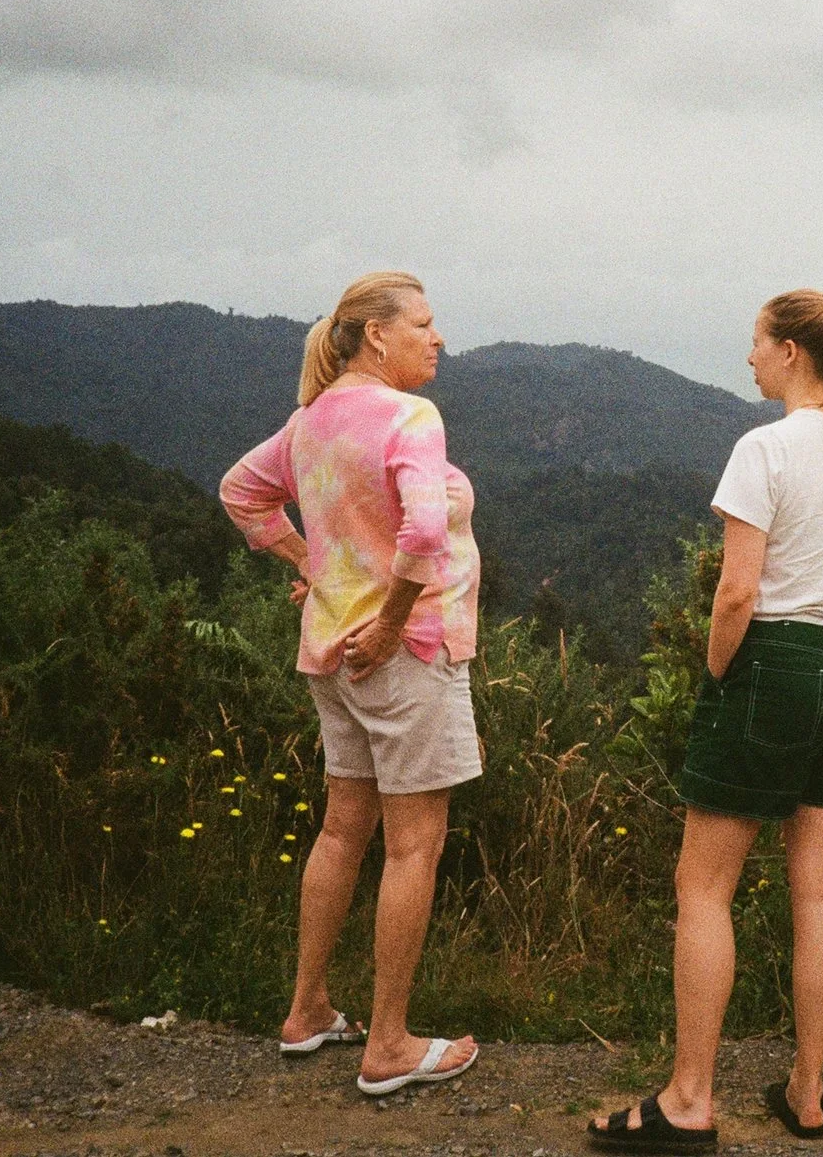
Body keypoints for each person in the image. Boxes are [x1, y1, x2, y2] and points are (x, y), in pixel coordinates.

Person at [589, 291, 823, 1153]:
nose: (747, 360)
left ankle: (690, 1097)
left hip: (776, 661)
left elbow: (737, 590)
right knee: (820, 888)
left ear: (789, 352)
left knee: (705, 885)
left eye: (755, 344)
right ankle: (807, 1092)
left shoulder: (764, 449)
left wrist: (715, 672)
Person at [219, 270, 485, 1096]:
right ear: (378, 334)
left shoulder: (311, 420)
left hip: (333, 654)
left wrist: (310, 561)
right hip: (404, 656)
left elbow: (241, 490)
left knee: (342, 831)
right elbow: (426, 528)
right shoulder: (411, 415)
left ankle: (308, 1010)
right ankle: (391, 1046)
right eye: (425, 325)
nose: (437, 338)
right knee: (415, 845)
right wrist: (398, 616)